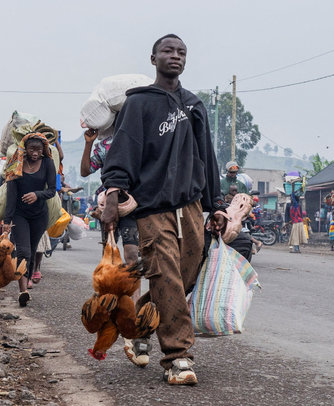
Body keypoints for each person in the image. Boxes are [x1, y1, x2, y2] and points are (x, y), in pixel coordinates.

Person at [100, 34, 226, 385]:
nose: (175, 56)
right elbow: (122, 151)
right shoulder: (139, 105)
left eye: (181, 52)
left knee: (181, 279)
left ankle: (138, 326)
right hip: (152, 208)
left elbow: (207, 159)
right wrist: (112, 197)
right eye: (168, 51)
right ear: (153, 58)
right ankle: (177, 357)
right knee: (166, 276)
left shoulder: (194, 105)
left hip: (191, 206)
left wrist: (215, 205)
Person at [3, 133, 57, 307]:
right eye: (32, 149)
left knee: (32, 251)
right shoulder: (16, 164)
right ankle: (23, 291)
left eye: (39, 150)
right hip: (20, 214)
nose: (35, 153)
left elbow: (52, 190)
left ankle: (25, 283)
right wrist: (7, 220)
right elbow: (11, 194)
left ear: (43, 151)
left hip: (39, 215)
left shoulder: (48, 163)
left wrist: (37, 195)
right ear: (25, 149)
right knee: (24, 251)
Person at [80, 127, 140, 273]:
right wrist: (88, 144)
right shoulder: (104, 146)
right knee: (108, 250)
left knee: (132, 252)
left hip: (130, 203)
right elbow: (85, 171)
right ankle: (108, 288)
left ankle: (133, 294)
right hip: (108, 203)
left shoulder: (138, 141)